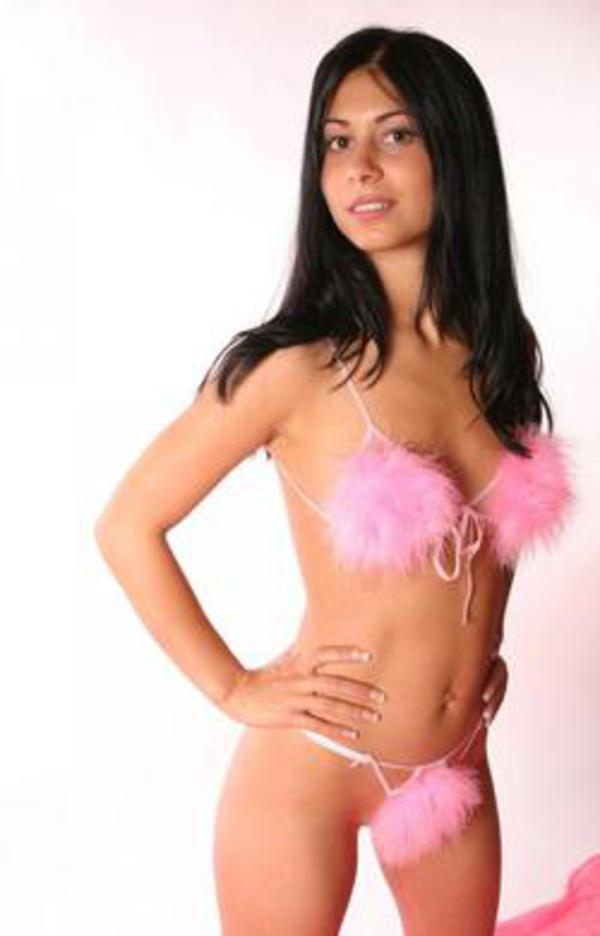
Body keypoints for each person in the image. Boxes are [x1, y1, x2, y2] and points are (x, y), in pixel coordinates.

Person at [94, 27, 580, 936]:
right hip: (310, 764)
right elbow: (127, 525)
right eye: (335, 141)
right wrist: (233, 686)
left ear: (455, 150)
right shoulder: (295, 368)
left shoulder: (499, 355)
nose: (360, 167)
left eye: (395, 135)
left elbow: (493, 535)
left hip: (452, 769)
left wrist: (485, 649)